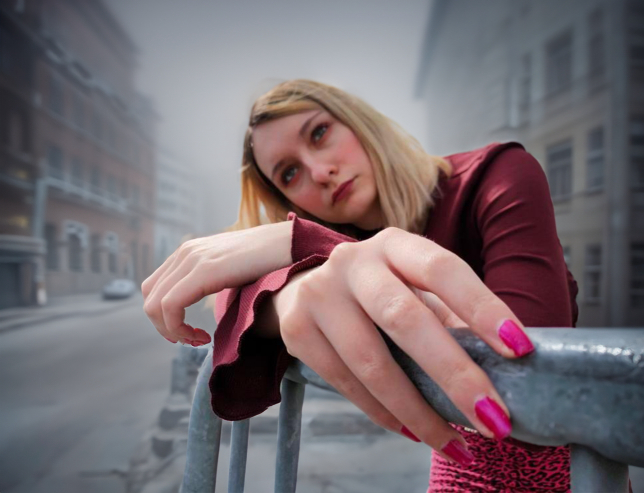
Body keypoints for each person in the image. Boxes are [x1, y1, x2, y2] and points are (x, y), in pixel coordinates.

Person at [142, 79, 578, 492]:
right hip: (459, 475)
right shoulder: (335, 255)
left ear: (357, 120)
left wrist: (295, 241)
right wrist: (290, 291)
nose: (320, 171)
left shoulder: (495, 175)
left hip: (575, 475)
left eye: (319, 134)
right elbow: (230, 308)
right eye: (290, 173)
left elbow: (528, 387)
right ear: (287, 199)